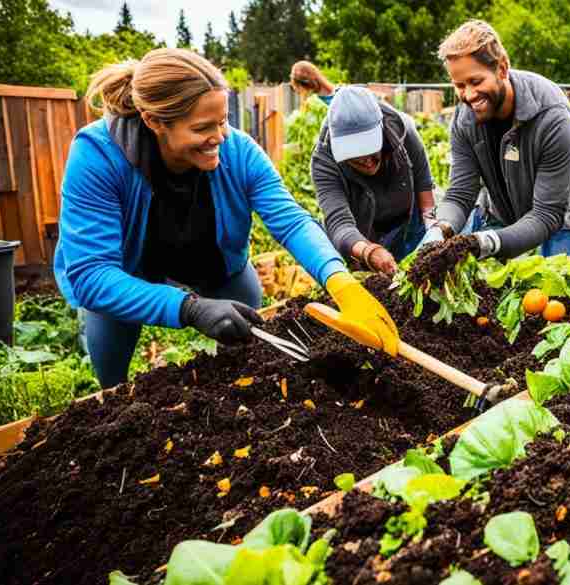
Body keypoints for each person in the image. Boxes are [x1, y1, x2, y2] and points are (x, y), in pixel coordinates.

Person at [54, 48, 398, 388]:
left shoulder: (238, 151)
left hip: (209, 259)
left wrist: (339, 279)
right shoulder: (98, 157)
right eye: (203, 127)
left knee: (244, 338)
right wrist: (189, 309)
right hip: (126, 272)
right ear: (154, 121)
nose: (219, 137)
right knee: (112, 376)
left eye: (223, 121)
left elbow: (291, 221)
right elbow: (92, 274)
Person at [420, 20, 570, 261]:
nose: (469, 95)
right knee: (481, 289)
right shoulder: (464, 119)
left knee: (554, 292)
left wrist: (488, 242)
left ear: (502, 68)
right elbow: (461, 193)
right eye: (459, 85)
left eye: (476, 81)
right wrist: (441, 229)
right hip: (501, 211)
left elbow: (546, 215)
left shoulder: (550, 114)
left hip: (561, 214)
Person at [311, 86, 437, 276]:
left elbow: (424, 184)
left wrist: (433, 233)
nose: (367, 161)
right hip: (362, 236)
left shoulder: (402, 131)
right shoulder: (324, 160)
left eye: (370, 151)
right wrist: (369, 251)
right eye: (355, 155)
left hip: (407, 224)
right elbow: (339, 224)